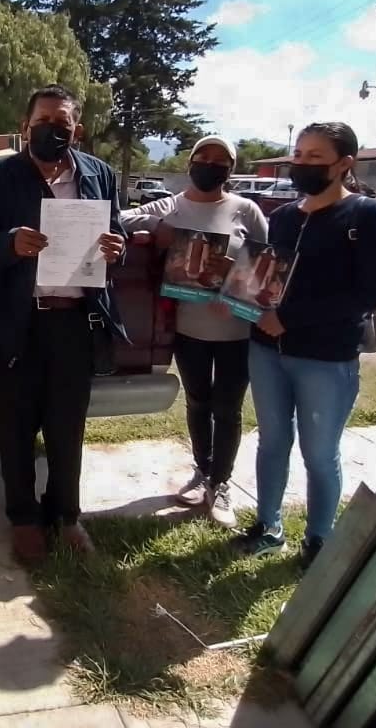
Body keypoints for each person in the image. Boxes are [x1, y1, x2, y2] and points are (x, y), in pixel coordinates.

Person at [0, 85, 127, 566]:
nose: (52, 129)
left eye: (62, 123)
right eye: (43, 121)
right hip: (15, 322)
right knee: (15, 427)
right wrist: (9, 244)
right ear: (25, 124)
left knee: (67, 426)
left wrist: (120, 248)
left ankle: (67, 515)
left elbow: (121, 234)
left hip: (75, 322)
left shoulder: (101, 175)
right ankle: (24, 518)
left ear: (78, 129)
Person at [234, 122, 376, 567]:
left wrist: (288, 318)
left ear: (344, 164)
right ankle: (268, 526)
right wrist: (235, 296)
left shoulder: (368, 216)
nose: (302, 164)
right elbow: (263, 279)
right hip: (267, 352)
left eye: (315, 157)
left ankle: (319, 540)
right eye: (299, 154)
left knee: (320, 453)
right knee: (271, 441)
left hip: (325, 358)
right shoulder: (284, 216)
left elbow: (370, 294)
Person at [122, 136, 268, 529]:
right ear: (190, 163)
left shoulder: (246, 210)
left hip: (237, 329)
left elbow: (267, 263)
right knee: (198, 401)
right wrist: (156, 226)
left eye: (220, 160)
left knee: (229, 408)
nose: (210, 164)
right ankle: (203, 471)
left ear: (231, 169)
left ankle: (222, 483)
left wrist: (238, 294)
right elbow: (119, 217)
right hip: (188, 329)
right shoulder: (171, 205)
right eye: (202, 157)